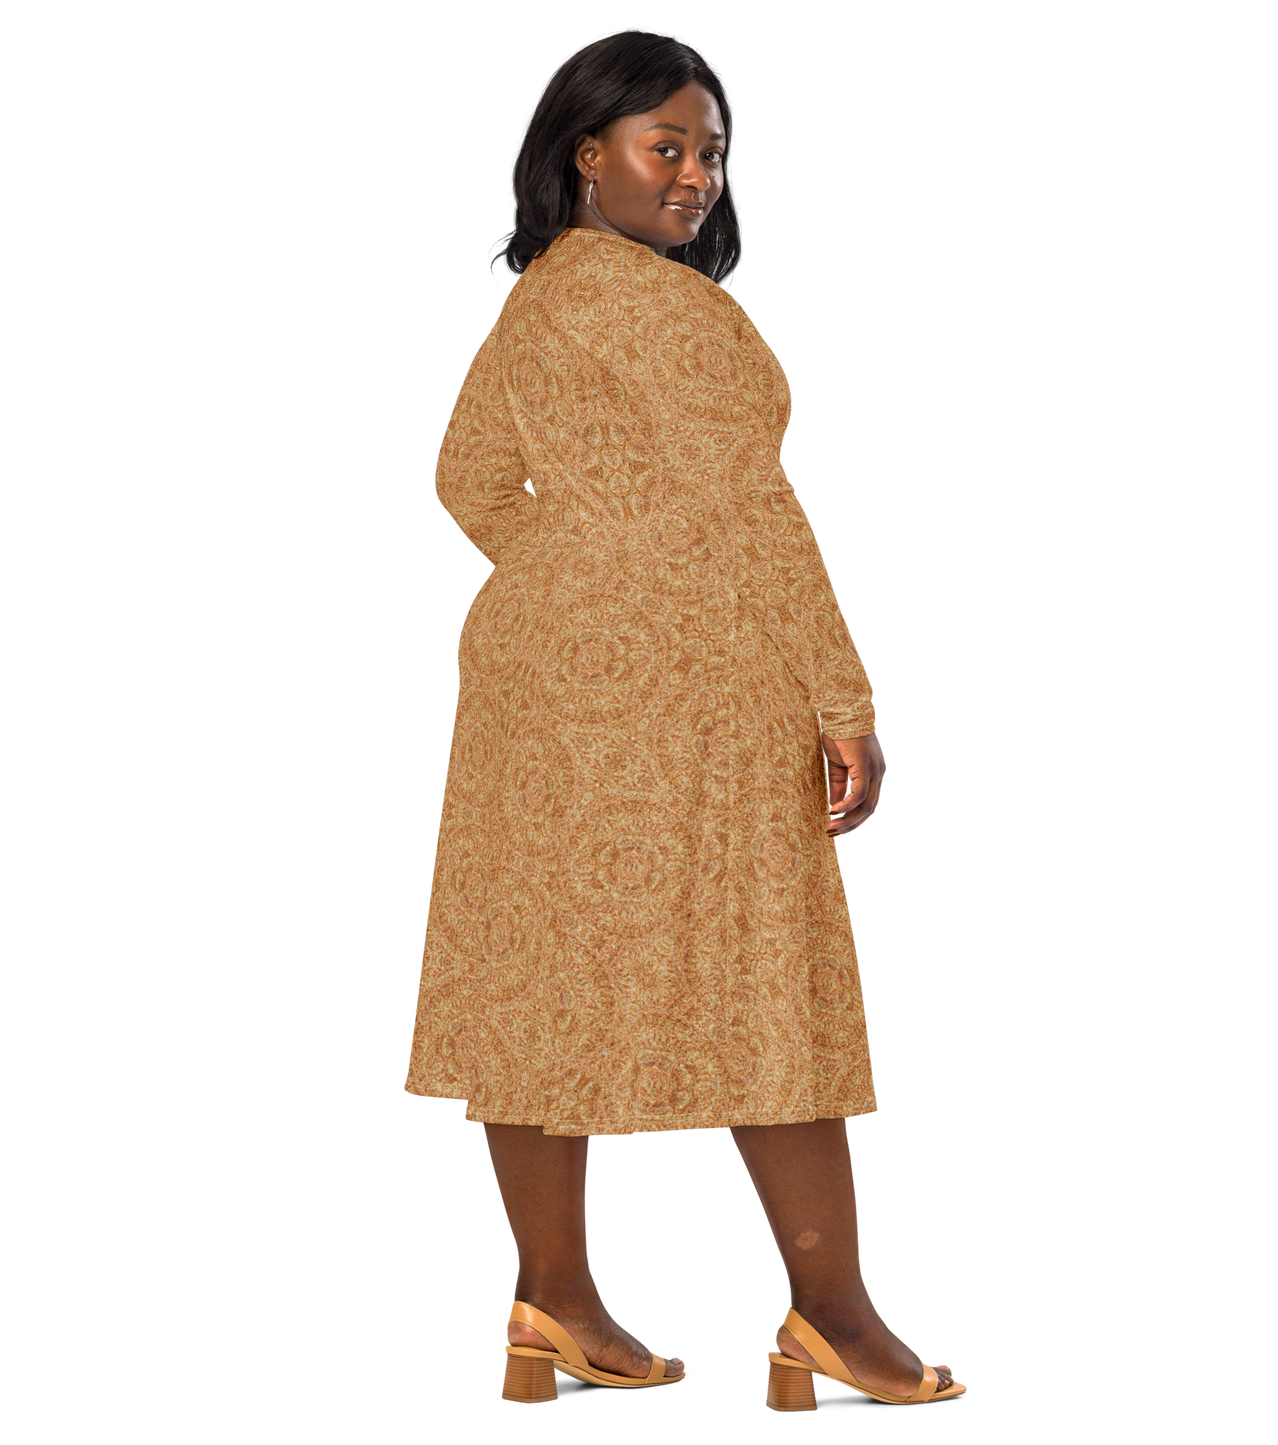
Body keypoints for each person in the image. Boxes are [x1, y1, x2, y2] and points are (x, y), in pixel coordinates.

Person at [403, 23, 966, 1410]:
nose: (698, 175)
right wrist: (844, 698)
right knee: (768, 976)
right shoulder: (676, 315)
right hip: (693, 681)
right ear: (585, 156)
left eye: (712, 152)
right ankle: (834, 1318)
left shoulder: (533, 306)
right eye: (668, 147)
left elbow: (465, 479)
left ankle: (550, 1300)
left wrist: (575, 564)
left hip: (533, 680)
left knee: (536, 977)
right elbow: (756, 515)